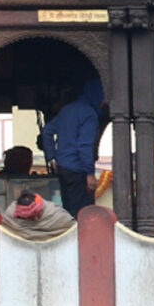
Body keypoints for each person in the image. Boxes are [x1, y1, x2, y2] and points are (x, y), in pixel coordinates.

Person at [46, 79, 106, 212]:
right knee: (83, 214)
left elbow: (47, 132)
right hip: (78, 170)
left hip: (63, 168)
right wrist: (90, 173)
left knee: (68, 210)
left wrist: (52, 158)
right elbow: (84, 146)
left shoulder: (67, 110)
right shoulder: (89, 114)